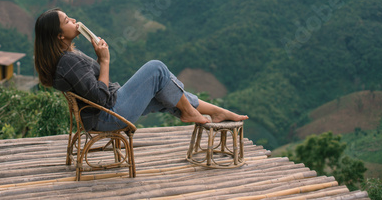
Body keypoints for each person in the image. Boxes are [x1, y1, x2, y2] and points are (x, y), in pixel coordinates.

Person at [34, 8, 248, 132]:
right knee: (156, 68)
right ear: (59, 36)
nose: (73, 20)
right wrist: (104, 61)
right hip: (107, 116)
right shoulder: (70, 62)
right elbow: (99, 99)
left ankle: (216, 112)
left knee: (165, 91)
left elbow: (95, 91)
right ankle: (191, 112)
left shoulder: (67, 59)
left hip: (106, 110)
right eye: (66, 21)